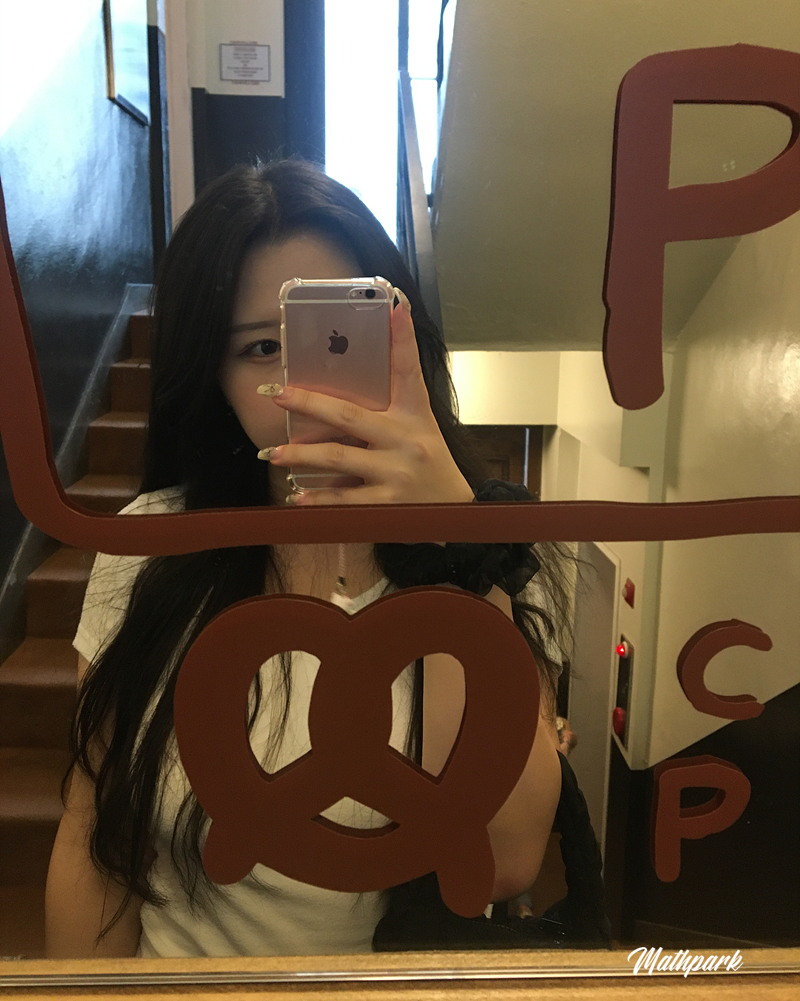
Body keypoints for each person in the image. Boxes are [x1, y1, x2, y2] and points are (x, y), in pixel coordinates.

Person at [45, 160, 575, 958]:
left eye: (340, 338)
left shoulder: (488, 551)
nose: (306, 386)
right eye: (263, 346)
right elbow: (97, 833)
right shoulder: (151, 544)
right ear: (214, 375)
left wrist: (453, 543)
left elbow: (503, 859)